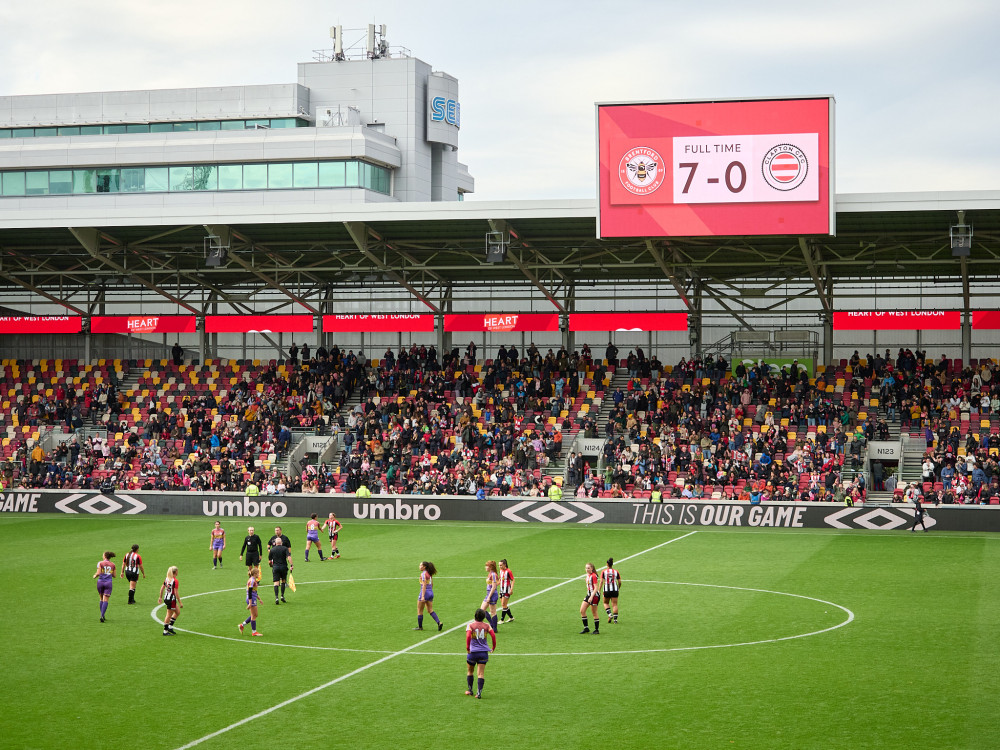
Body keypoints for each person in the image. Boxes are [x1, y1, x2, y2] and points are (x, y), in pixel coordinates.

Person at [465, 608, 497, 700]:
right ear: (484, 617)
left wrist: (468, 648)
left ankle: (470, 690)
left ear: (475, 616)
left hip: (472, 653)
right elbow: (493, 635)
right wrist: (493, 647)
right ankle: (479, 693)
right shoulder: (487, 625)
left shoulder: (470, 625)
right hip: (483, 653)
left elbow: (468, 636)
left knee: (470, 671)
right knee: (481, 673)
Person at [415, 561, 443, 631]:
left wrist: (423, 596)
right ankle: (439, 622)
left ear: (424, 567)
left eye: (420, 565)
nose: (419, 566)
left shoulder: (423, 574)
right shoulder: (429, 574)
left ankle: (420, 627)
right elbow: (432, 584)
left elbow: (424, 585)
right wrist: (430, 592)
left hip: (425, 592)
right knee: (430, 610)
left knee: (419, 610)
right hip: (430, 592)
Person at [239, 566, 264, 637]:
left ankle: (242, 625)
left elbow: (254, 591)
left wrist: (259, 599)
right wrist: (250, 603)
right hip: (251, 599)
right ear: (255, 574)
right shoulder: (252, 580)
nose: (259, 575)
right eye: (258, 573)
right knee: (254, 615)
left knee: (255, 614)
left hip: (253, 598)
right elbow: (250, 591)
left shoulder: (253, 580)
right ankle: (254, 632)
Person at [268, 536, 293, 604]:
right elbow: (288, 557)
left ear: (275, 543)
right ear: (281, 542)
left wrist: (271, 566)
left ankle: (276, 597)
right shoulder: (285, 548)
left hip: (275, 567)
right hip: (283, 567)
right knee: (283, 581)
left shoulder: (272, 550)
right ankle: (282, 596)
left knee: (276, 583)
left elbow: (270, 561)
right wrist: (291, 565)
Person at [158, 566, 182, 635]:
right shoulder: (175, 581)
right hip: (171, 600)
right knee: (168, 615)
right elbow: (176, 593)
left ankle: (170, 627)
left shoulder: (167, 579)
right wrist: (180, 602)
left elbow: (162, 588)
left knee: (177, 612)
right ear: (176, 572)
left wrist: (160, 597)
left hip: (166, 598)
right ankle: (165, 631)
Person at [93, 550, 116, 622]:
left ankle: (102, 615)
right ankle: (102, 615)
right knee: (106, 600)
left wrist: (95, 575)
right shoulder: (113, 564)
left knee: (101, 599)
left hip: (100, 582)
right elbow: (114, 575)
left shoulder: (100, 563)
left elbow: (99, 573)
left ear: (105, 556)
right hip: (108, 583)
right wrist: (109, 572)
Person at [580, 562, 601, 634]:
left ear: (592, 568)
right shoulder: (588, 576)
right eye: (586, 568)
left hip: (594, 596)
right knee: (582, 610)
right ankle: (586, 628)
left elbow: (596, 588)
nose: (587, 569)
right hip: (589, 595)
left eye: (588, 568)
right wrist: (588, 595)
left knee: (594, 612)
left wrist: (591, 597)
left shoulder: (594, 576)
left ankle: (596, 630)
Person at [601, 557, 622, 624]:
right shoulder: (616, 572)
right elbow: (619, 582)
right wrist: (618, 588)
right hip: (615, 589)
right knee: (615, 604)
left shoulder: (604, 571)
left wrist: (599, 590)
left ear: (607, 564)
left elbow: (601, 581)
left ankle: (610, 614)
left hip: (607, 589)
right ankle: (615, 620)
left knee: (605, 603)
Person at [482, 560, 499, 630]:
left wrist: (489, 597)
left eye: (487, 566)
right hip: (489, 594)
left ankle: (494, 627)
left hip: (492, 595)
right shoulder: (490, 574)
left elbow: (494, 587)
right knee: (483, 610)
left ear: (490, 567)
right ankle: (492, 625)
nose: (485, 567)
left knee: (492, 612)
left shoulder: (493, 575)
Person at [498, 558, 515, 624]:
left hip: (507, 589)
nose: (500, 566)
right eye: (499, 565)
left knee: (503, 604)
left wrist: (511, 589)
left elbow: (513, 580)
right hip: (501, 589)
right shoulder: (501, 570)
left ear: (505, 565)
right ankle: (511, 617)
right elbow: (500, 579)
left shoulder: (509, 571)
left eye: (501, 565)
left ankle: (502, 620)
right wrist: (497, 583)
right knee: (504, 605)